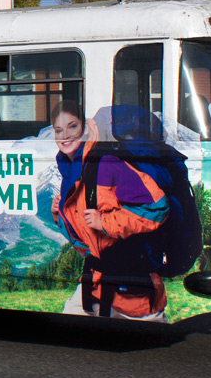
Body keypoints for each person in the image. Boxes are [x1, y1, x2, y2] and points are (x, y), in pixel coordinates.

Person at [50, 100, 169, 321]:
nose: (64, 135)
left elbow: (157, 208)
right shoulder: (71, 171)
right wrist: (59, 216)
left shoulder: (107, 164)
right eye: (58, 129)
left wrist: (105, 222)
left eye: (72, 126)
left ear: (86, 127)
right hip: (95, 283)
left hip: (132, 286)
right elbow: (83, 243)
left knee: (154, 344)